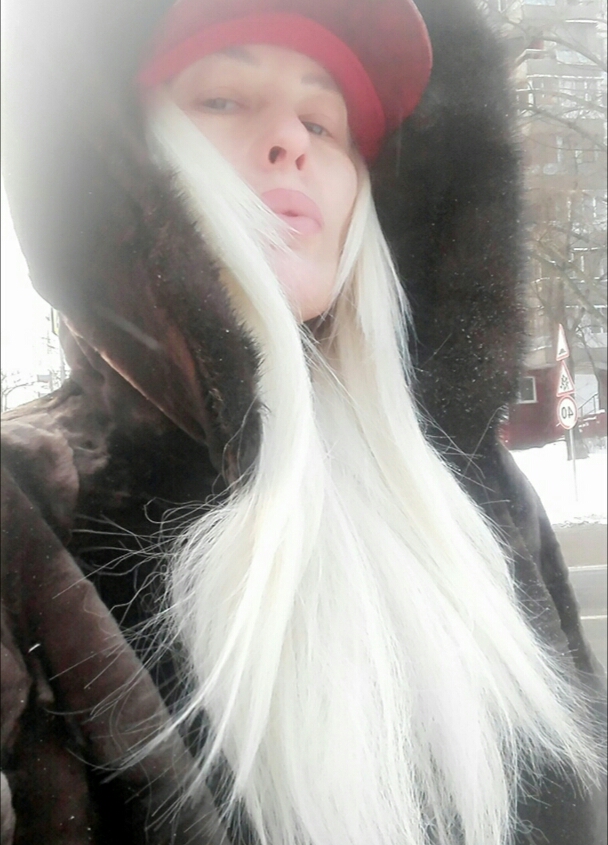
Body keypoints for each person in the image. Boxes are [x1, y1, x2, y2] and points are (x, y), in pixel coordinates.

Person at [1, 0, 606, 843]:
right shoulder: (27, 513)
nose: (291, 138)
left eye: (324, 121)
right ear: (126, 164)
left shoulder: (484, 497)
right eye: (223, 98)